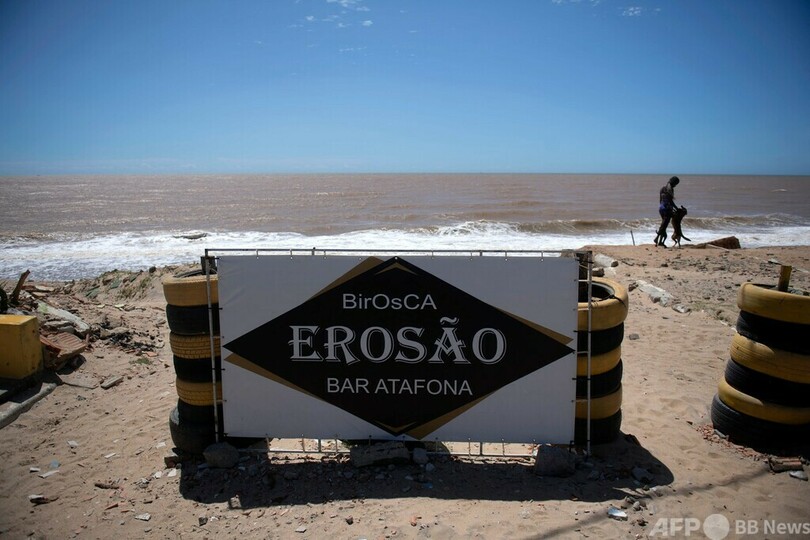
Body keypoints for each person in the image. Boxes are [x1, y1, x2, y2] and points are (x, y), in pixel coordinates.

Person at [654, 176, 680, 247]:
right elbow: (670, 201)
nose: (675, 185)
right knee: (664, 226)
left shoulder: (662, 188)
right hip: (667, 209)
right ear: (674, 183)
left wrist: (662, 207)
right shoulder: (670, 190)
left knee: (664, 225)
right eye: (676, 184)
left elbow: (660, 200)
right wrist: (676, 208)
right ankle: (657, 239)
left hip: (661, 208)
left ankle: (660, 242)